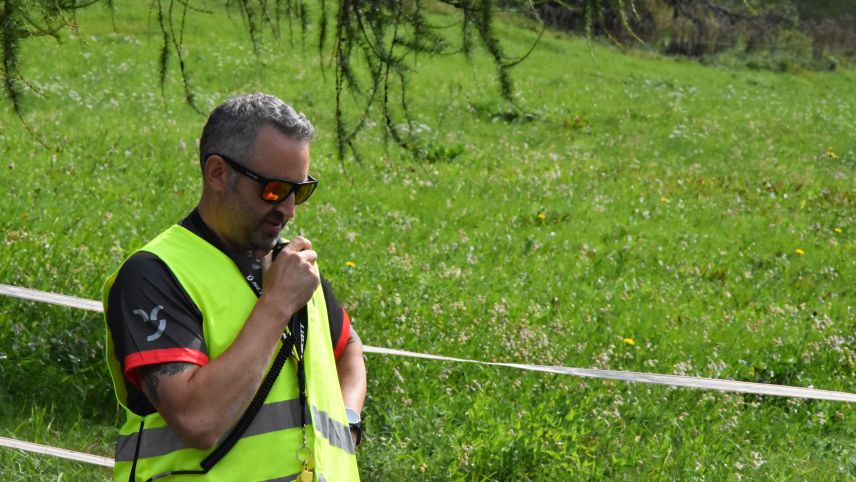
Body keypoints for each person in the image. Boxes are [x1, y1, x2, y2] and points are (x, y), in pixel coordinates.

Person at [102, 93, 365, 481]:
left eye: (301, 190)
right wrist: (276, 306)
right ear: (218, 173)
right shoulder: (154, 275)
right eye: (274, 190)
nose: (289, 209)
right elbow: (198, 420)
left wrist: (347, 420)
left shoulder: (289, 267)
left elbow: (349, 349)